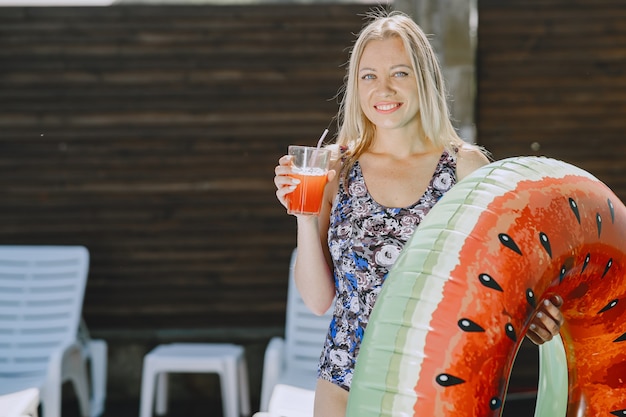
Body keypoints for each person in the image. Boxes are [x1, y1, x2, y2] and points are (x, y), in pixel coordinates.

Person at [274, 10, 564, 417]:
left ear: (424, 78)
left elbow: (506, 271)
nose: (384, 88)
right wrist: (304, 216)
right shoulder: (334, 168)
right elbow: (319, 300)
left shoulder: (464, 169)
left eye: (400, 73)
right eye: (368, 76)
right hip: (343, 387)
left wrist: (536, 310)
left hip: (436, 387)